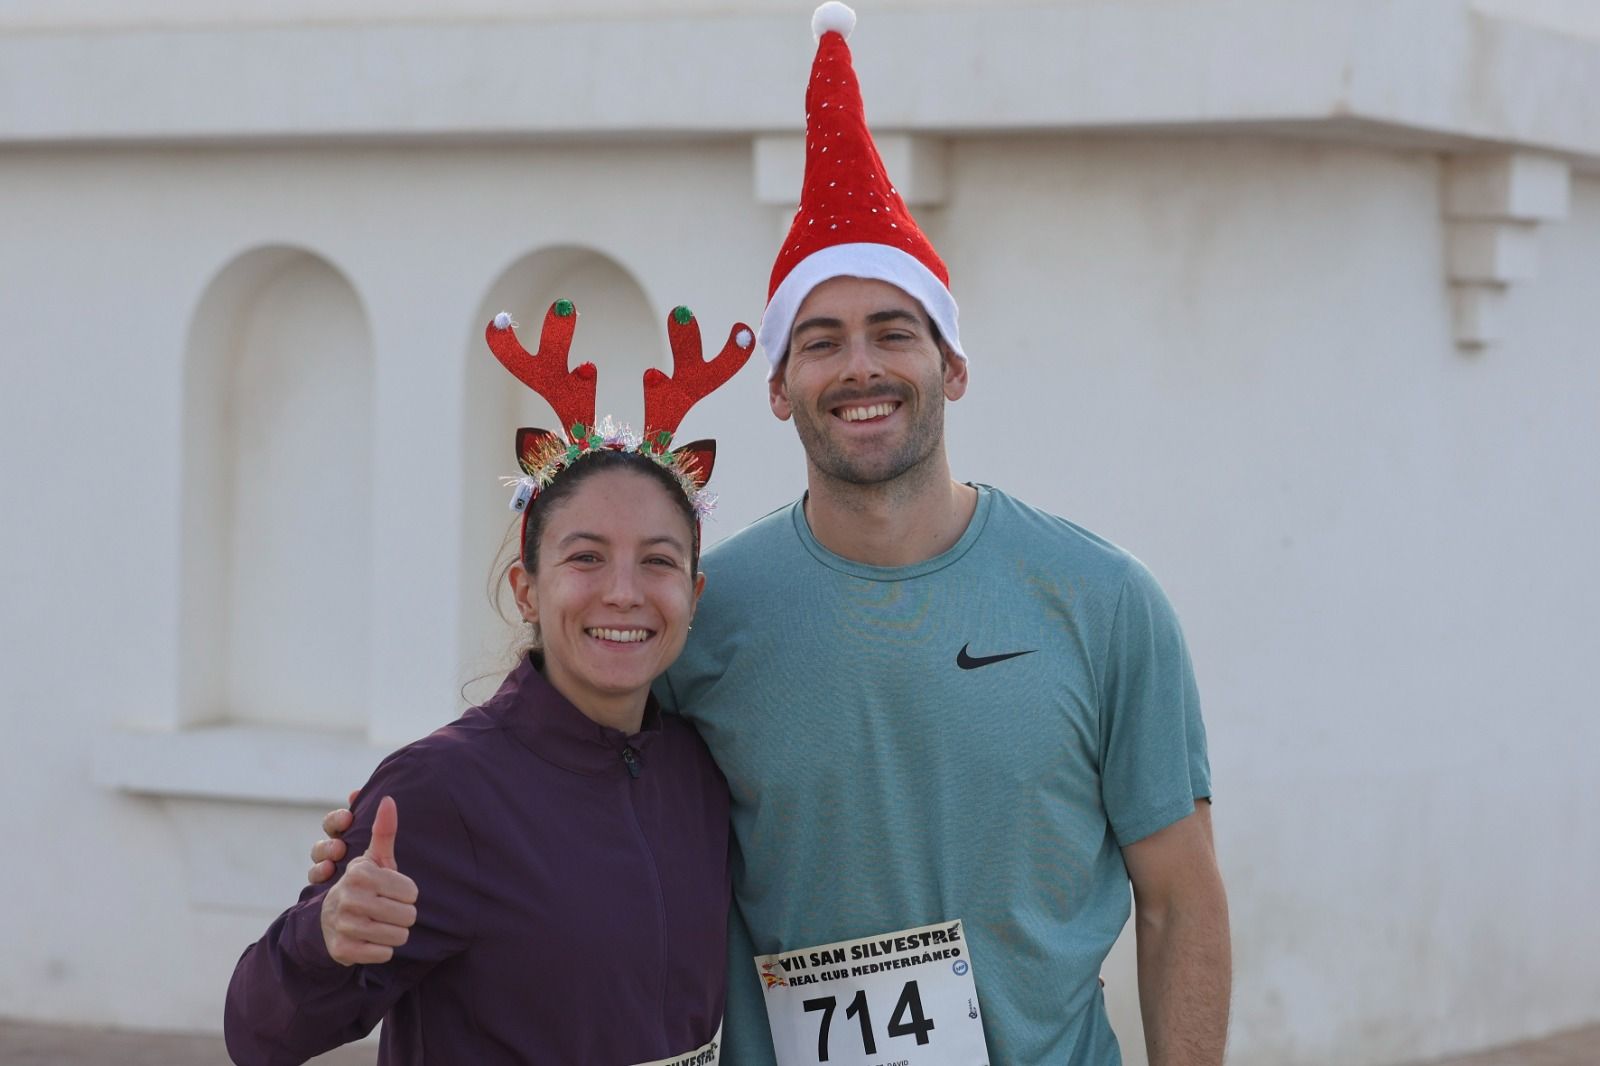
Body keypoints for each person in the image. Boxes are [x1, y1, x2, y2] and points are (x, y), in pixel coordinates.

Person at [312, 5, 1231, 1064]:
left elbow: (1181, 906)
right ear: (779, 389)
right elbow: (560, 766)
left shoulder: (1105, 601)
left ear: (955, 366)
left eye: (895, 332)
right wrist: (388, 834)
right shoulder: (704, 606)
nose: (860, 367)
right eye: (822, 341)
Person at [226, 300, 753, 1065]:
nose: (624, 592)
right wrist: (326, 938)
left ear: (694, 596)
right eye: (585, 556)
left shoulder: (699, 772)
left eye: (660, 561)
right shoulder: (441, 790)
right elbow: (259, 1032)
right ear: (526, 589)